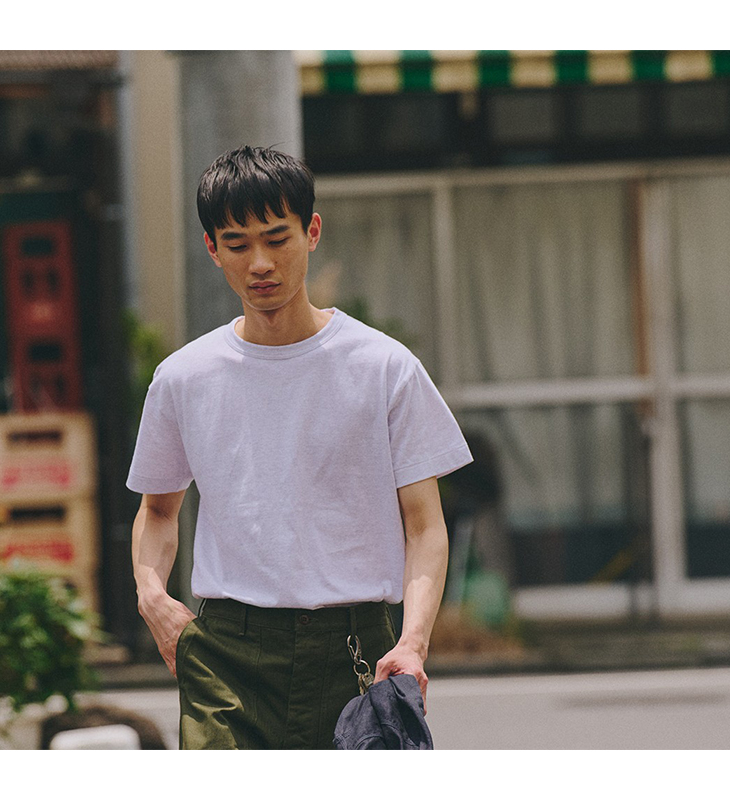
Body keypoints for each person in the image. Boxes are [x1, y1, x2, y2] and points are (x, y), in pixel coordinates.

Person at [128, 145, 472, 749]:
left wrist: (413, 642)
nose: (260, 262)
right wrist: (152, 597)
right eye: (237, 244)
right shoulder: (183, 378)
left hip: (356, 650)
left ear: (311, 232)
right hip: (227, 654)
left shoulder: (383, 367)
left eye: (276, 238)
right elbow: (158, 511)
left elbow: (425, 527)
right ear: (212, 249)